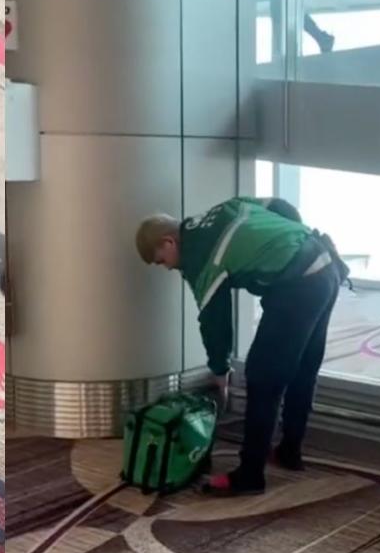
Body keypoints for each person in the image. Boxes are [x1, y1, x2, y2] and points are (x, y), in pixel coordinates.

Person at [135, 197, 346, 497]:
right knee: (301, 369)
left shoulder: (199, 257)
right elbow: (279, 206)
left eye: (161, 260)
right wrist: (292, 240)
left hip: (298, 287)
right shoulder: (222, 209)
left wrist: (220, 372)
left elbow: (215, 321)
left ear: (169, 242)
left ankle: (250, 476)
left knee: (262, 379)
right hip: (326, 266)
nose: (166, 268)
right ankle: (289, 451)